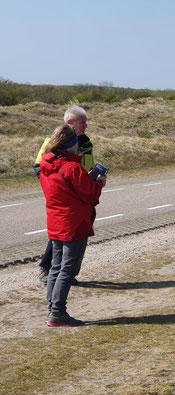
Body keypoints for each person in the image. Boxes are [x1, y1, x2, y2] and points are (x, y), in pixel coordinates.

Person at [40, 125, 106, 326]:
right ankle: (58, 313)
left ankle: (53, 308)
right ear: (72, 144)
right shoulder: (72, 167)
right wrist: (99, 182)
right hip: (74, 222)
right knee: (68, 269)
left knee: (56, 267)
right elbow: (89, 194)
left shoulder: (46, 164)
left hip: (56, 220)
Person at [34, 106, 95, 284]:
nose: (86, 125)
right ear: (71, 123)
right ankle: (48, 268)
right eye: (83, 122)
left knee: (79, 232)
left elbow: (87, 164)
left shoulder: (85, 142)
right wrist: (58, 188)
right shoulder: (52, 141)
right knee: (64, 234)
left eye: (86, 121)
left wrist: (92, 176)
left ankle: (68, 274)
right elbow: (40, 167)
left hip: (84, 192)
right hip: (66, 196)